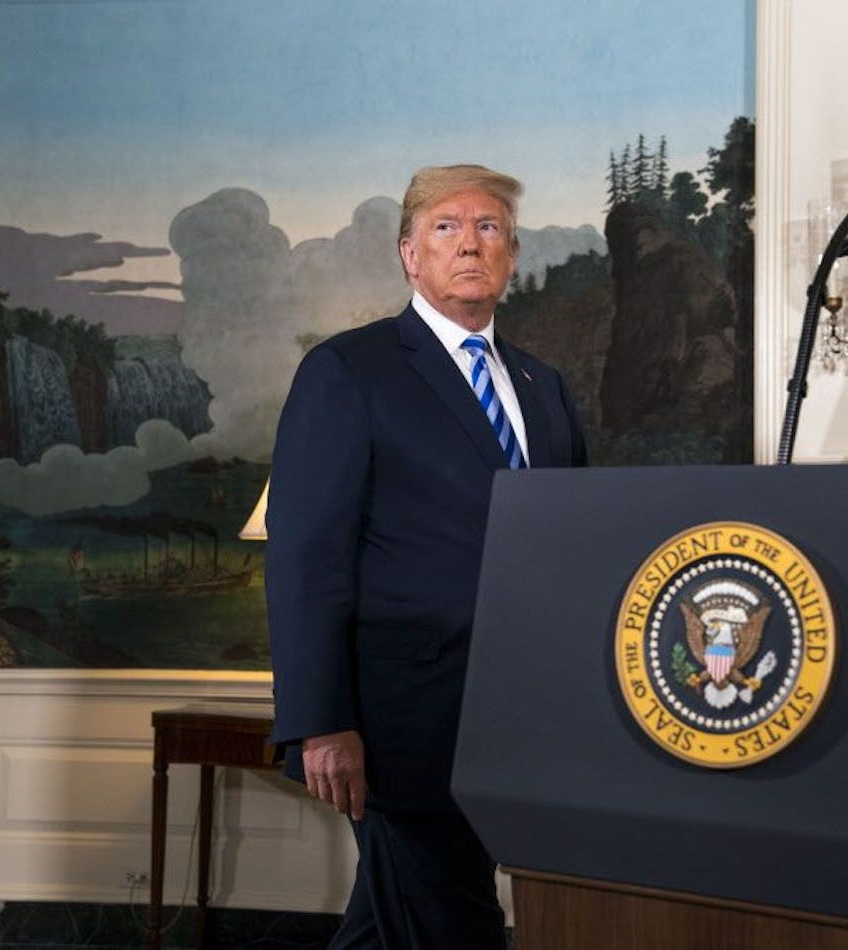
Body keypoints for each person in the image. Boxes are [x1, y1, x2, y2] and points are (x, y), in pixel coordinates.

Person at [264, 164, 587, 949]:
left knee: (392, 927)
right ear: (410, 253)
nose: (470, 243)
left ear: (511, 256)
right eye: (446, 227)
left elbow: (572, 549)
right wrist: (322, 722)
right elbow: (307, 558)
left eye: (489, 228)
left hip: (521, 715)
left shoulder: (546, 388)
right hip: (398, 725)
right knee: (456, 924)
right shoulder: (348, 371)